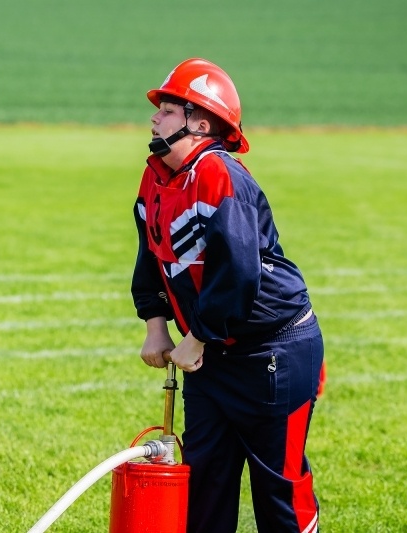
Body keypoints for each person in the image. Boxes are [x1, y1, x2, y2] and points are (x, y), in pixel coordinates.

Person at [131, 58, 324, 533]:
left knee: (279, 494)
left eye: (168, 109)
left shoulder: (221, 175)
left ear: (200, 122)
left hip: (274, 352)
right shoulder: (155, 178)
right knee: (203, 492)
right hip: (212, 355)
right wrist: (157, 326)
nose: (155, 117)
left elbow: (239, 275)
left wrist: (195, 338)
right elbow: (151, 257)